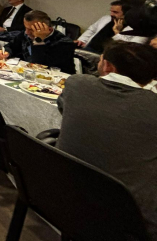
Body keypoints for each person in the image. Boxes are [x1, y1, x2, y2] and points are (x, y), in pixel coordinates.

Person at [56, 42, 157, 238]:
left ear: (108, 66)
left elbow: (62, 106)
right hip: (128, 217)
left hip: (61, 195)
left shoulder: (77, 84)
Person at [0, 10, 75, 73]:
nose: (27, 32)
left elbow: (40, 65)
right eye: (26, 28)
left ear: (48, 29)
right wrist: (6, 52)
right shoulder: (26, 34)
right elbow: (11, 46)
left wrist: (38, 40)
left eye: (31, 29)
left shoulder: (64, 43)